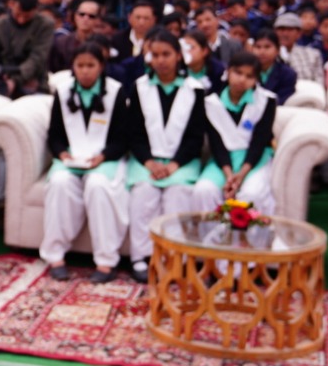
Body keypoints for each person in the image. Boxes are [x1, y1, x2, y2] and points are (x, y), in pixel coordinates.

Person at [116, 29, 207, 284]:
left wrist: (174, 164)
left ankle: (174, 257)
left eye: (166, 54)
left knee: (177, 195)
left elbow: (195, 136)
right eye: (155, 55)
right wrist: (149, 162)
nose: (161, 60)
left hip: (181, 162)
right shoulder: (139, 87)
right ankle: (141, 257)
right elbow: (133, 132)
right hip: (146, 161)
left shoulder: (194, 90)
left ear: (178, 55)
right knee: (143, 194)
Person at [41, 42, 128, 281]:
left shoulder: (115, 91)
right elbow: (54, 134)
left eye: (91, 65)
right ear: (73, 67)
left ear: (101, 66)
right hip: (72, 158)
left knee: (98, 186)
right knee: (59, 183)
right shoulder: (64, 90)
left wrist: (104, 156)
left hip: (105, 158)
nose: (85, 71)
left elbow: (123, 137)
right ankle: (55, 255)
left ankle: (106, 261)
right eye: (80, 65)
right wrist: (62, 154)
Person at [192, 50, 278, 216]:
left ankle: (247, 242)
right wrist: (230, 175)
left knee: (250, 195)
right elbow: (216, 144)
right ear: (228, 71)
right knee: (203, 190)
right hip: (222, 162)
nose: (242, 80)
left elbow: (259, 142)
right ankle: (210, 240)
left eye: (249, 76)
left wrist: (241, 175)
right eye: (238, 73)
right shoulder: (211, 103)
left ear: (256, 80)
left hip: (255, 161)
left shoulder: (266, 101)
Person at [0, 0, 53, 97]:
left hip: (34, 81)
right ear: (12, 4)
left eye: (27, 17)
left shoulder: (45, 25)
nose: (21, 20)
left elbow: (37, 58)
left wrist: (16, 80)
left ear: (36, 10)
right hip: (1, 80)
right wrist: (0, 74)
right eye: (18, 15)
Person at [48, 0, 105, 74]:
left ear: (98, 20)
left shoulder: (103, 44)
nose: (85, 18)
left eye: (91, 16)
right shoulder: (60, 43)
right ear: (75, 16)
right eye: (81, 14)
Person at [246, 29, 297, 104]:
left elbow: (283, 100)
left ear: (277, 50)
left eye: (267, 47)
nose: (262, 51)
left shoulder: (287, 74)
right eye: (258, 47)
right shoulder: (246, 70)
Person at [273, 12, 324, 84]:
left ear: (299, 33)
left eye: (290, 30)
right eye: (281, 29)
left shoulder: (313, 55)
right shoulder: (267, 55)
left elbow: (319, 83)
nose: (285, 34)